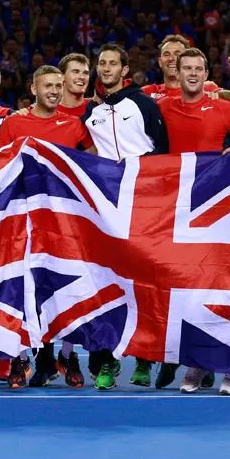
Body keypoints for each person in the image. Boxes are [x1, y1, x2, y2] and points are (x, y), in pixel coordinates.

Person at [155, 58, 230, 394]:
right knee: (190, 292)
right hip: (178, 213)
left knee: (224, 288)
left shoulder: (224, 109)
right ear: (177, 73)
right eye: (188, 69)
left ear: (206, 74)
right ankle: (198, 363)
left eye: (200, 69)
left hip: (218, 212)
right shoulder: (162, 109)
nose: (193, 74)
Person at [0, 65, 94, 389]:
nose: (53, 90)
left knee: (65, 286)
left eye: (58, 86)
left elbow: (91, 165)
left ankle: (68, 354)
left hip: (63, 220)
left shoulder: (74, 125)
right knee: (23, 288)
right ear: (33, 89)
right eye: (47, 85)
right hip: (22, 220)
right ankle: (21, 359)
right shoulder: (14, 123)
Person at [81, 43, 168, 390]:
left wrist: (139, 172)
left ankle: (145, 358)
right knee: (105, 284)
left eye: (112, 63)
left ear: (124, 68)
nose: (105, 68)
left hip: (144, 206)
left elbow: (163, 151)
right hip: (105, 210)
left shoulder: (143, 104)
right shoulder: (91, 113)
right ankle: (105, 362)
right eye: (101, 63)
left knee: (142, 283)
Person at [141, 35, 230, 106]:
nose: (171, 59)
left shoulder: (206, 88)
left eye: (177, 54)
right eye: (166, 54)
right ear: (160, 62)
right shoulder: (147, 92)